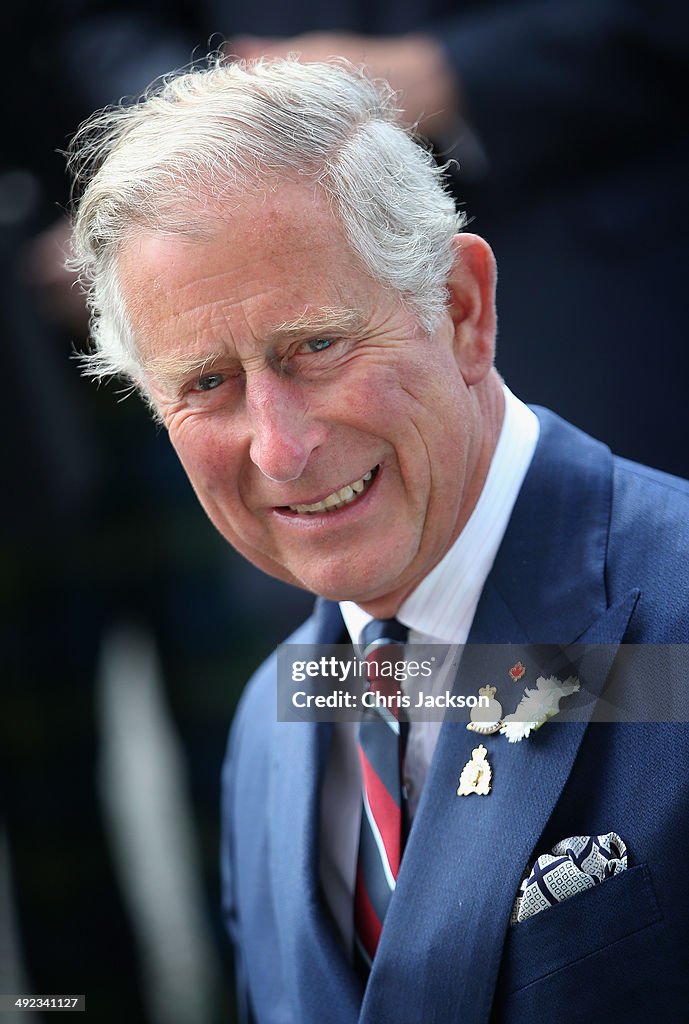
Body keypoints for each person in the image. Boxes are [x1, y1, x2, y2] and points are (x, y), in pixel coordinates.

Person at [66, 58, 689, 1023]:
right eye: (205, 385)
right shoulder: (267, 732)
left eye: (315, 347)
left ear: (460, 308)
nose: (279, 448)